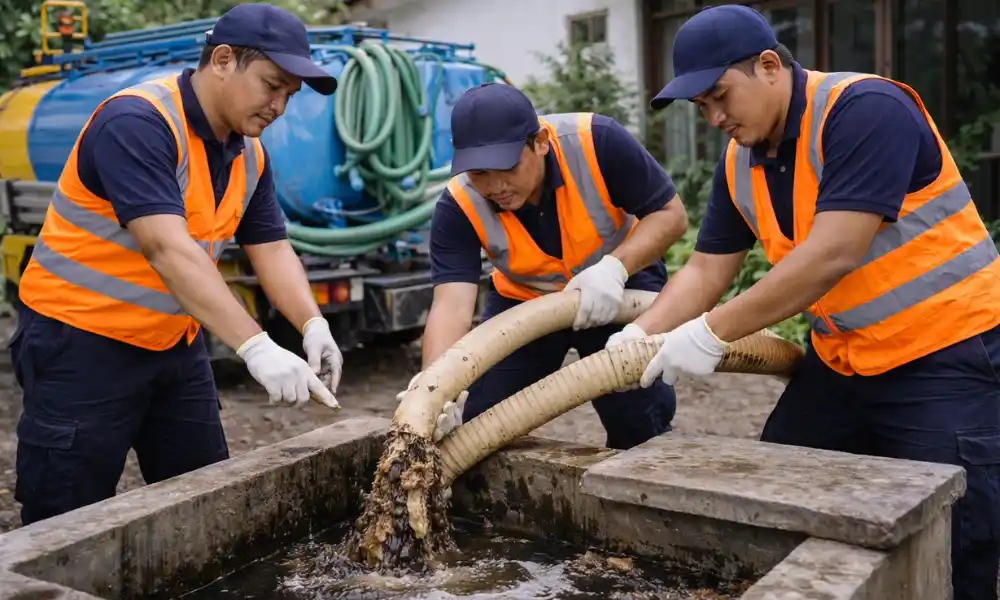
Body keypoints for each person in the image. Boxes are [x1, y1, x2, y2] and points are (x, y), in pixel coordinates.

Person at [605, 5, 1000, 599]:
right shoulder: (742, 162)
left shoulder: (866, 110)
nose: (714, 117)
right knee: (781, 490)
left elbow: (833, 254)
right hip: (845, 361)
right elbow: (709, 265)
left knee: (952, 534)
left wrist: (711, 334)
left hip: (944, 354)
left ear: (769, 66)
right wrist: (643, 335)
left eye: (719, 96)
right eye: (701, 107)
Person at [11, 3, 345, 526]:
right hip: (79, 344)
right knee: (66, 517)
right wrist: (256, 346)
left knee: (203, 498)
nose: (279, 105)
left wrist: (312, 322)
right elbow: (167, 249)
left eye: (289, 95)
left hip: (173, 344)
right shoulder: (137, 122)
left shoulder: (248, 154)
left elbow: (272, 247)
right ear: (224, 60)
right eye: (271, 85)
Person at [403, 82, 688, 449]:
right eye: (479, 174)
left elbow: (671, 216)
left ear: (539, 141)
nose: (495, 186)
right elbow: (451, 305)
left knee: (637, 415)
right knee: (478, 418)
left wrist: (614, 268)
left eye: (505, 167)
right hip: (525, 302)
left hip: (620, 287)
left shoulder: (597, 141)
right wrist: (434, 389)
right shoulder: (458, 203)